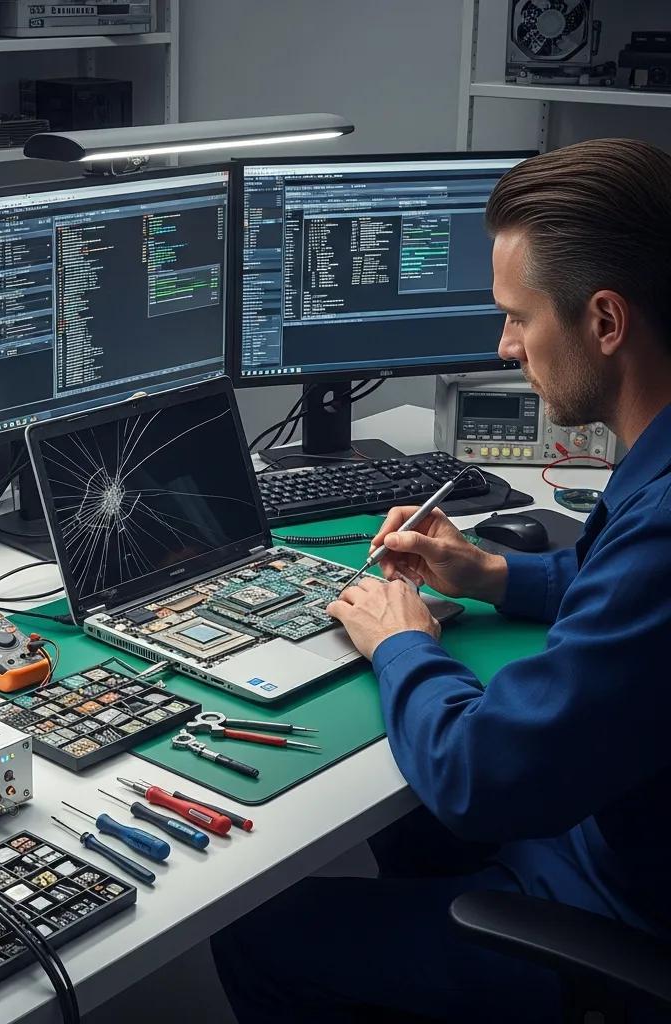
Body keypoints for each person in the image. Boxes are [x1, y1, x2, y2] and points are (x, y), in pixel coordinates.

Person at [212, 138, 671, 1023]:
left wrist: (403, 644)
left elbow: (478, 775)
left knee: (257, 933)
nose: (505, 346)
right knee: (403, 819)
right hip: (622, 831)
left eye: (519, 318)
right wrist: (492, 574)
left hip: (623, 906)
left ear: (606, 322)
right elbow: (615, 584)